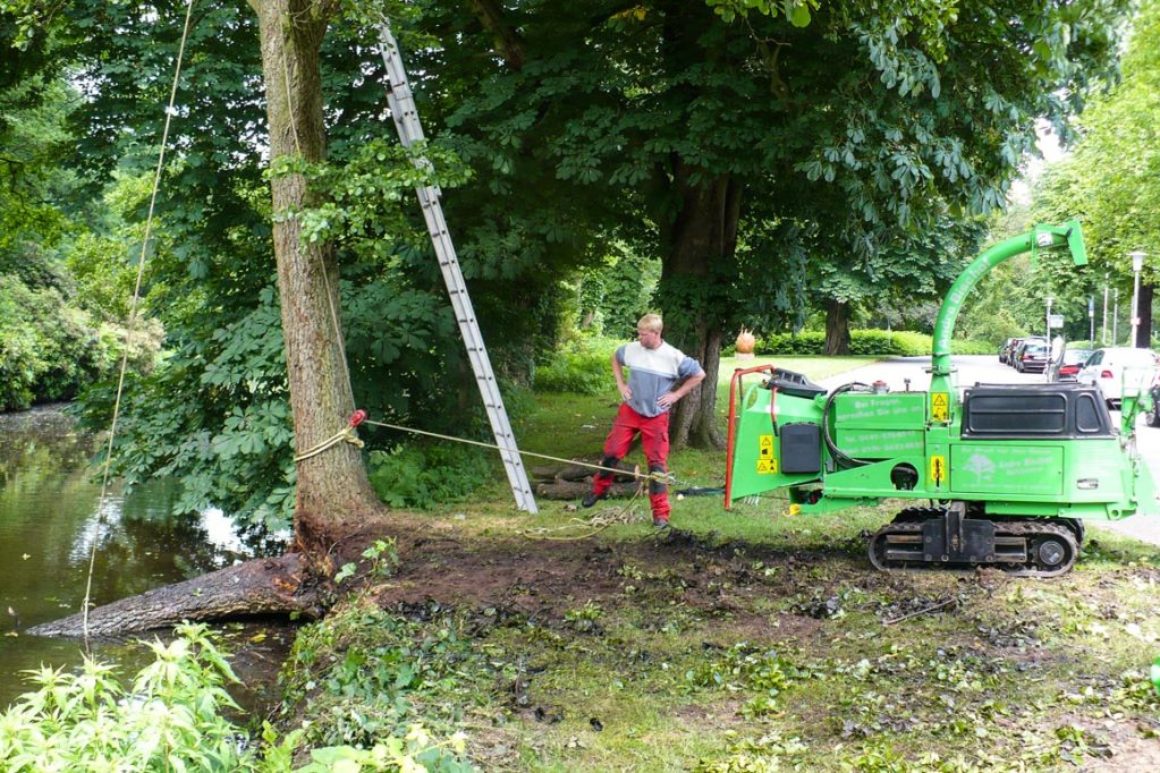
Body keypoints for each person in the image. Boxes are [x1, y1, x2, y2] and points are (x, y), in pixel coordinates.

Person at [582, 313, 706, 527]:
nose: (639, 338)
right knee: (612, 452)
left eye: (643, 334)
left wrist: (675, 395)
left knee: (657, 465)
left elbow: (699, 374)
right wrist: (621, 385)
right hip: (630, 410)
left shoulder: (673, 356)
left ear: (657, 333)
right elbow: (615, 358)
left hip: (656, 416)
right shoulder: (631, 349)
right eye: (638, 333)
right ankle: (599, 490)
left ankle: (660, 514)